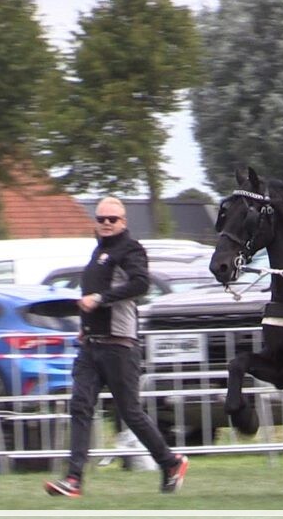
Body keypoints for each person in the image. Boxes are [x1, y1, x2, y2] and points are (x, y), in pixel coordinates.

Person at [45, 197, 188, 497]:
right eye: (101, 219)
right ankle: (73, 480)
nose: (107, 223)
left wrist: (100, 299)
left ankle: (170, 462)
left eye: (113, 219)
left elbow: (140, 284)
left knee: (130, 413)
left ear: (124, 222)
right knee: (79, 406)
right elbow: (91, 298)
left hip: (120, 347)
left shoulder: (131, 250)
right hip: (91, 347)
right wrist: (85, 327)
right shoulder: (98, 252)